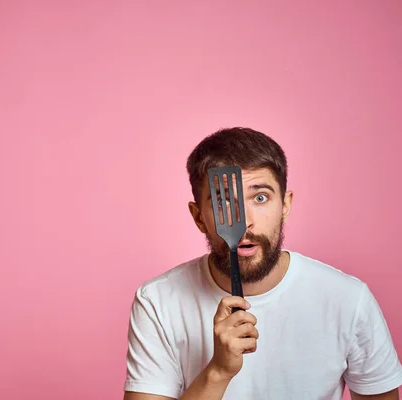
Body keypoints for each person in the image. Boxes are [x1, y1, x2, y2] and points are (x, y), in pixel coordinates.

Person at [122, 127, 402, 400]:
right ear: (198, 217)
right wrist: (218, 371)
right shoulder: (158, 301)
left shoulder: (348, 300)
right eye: (223, 203)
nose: (245, 221)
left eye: (260, 197)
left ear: (285, 206)